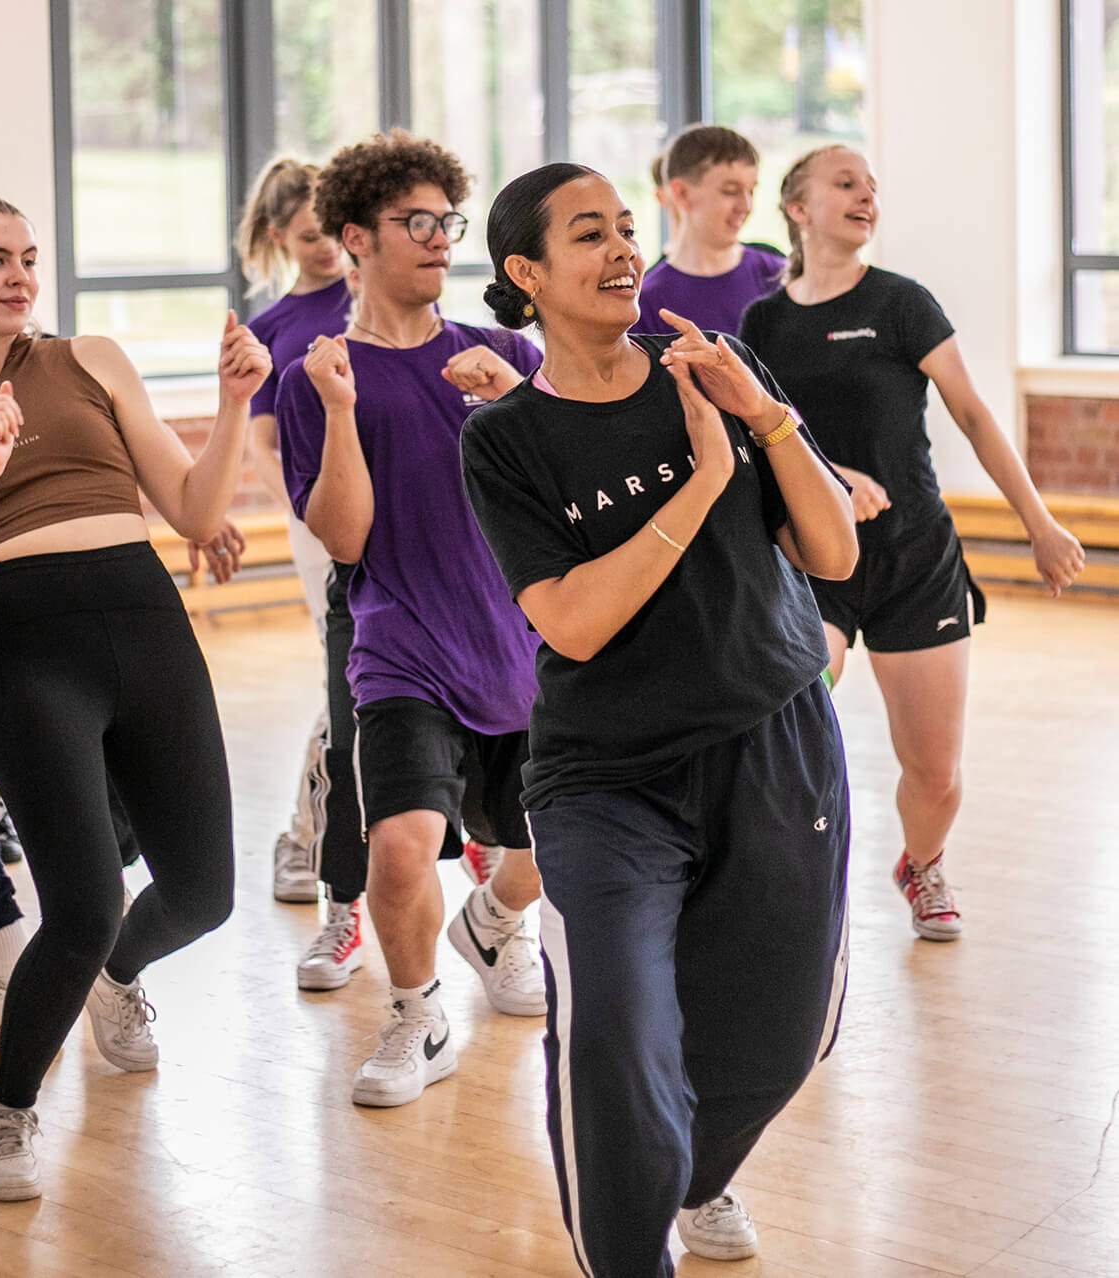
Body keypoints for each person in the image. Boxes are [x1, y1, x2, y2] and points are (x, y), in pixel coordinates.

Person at [462, 162, 860, 1274]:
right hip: (609, 782)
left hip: (777, 743)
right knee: (620, 1047)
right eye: (590, 235)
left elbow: (834, 553)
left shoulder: (716, 370)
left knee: (787, 1042)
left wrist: (764, 416)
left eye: (628, 228)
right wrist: (700, 481)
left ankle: (696, 1179)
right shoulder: (505, 440)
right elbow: (575, 624)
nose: (624, 249)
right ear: (526, 273)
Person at [0, 192, 265, 1202]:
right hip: (28, 642)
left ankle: (116, 981)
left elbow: (193, 507)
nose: (19, 275)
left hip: (146, 621)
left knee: (206, 894)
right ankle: (7, 1108)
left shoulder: (91, 360)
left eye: (29, 258)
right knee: (84, 905)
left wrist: (232, 406)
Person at [740, 145, 1086, 941]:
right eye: (846, 183)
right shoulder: (763, 322)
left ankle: (921, 863)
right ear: (797, 209)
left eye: (872, 187)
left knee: (933, 772)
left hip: (913, 561)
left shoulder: (901, 304)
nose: (867, 196)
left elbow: (973, 414)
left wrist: (1039, 523)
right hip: (811, 564)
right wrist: (827, 474)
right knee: (788, 729)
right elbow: (755, 439)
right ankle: (783, 884)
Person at [275, 131, 546, 1110]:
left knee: (555, 845)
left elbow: (562, 492)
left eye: (446, 222)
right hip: (401, 644)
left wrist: (519, 401)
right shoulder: (318, 374)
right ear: (356, 235)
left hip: (519, 641)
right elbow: (346, 536)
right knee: (396, 848)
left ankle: (495, 923)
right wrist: (342, 411)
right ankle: (415, 1011)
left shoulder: (506, 352)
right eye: (415, 222)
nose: (439, 240)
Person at [233, 156, 351, 916]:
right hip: (318, 522)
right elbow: (261, 444)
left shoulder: (371, 292)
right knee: (341, 680)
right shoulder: (268, 329)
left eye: (332, 232)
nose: (326, 248)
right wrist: (301, 511)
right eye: (308, 236)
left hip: (392, 501)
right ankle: (303, 839)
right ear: (279, 236)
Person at [636, 125, 785, 337]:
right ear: (682, 193)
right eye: (730, 191)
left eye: (751, 190)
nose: (746, 206)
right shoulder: (645, 305)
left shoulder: (779, 277)